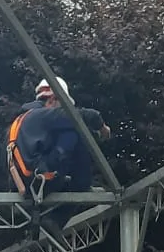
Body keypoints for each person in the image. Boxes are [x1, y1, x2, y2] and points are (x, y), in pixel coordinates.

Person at [7, 77, 112, 209]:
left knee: (65, 130)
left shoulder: (18, 122)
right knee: (75, 130)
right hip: (41, 180)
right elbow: (86, 116)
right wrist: (103, 129)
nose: (62, 110)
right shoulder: (44, 116)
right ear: (52, 100)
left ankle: (51, 219)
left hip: (21, 183)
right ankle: (81, 186)